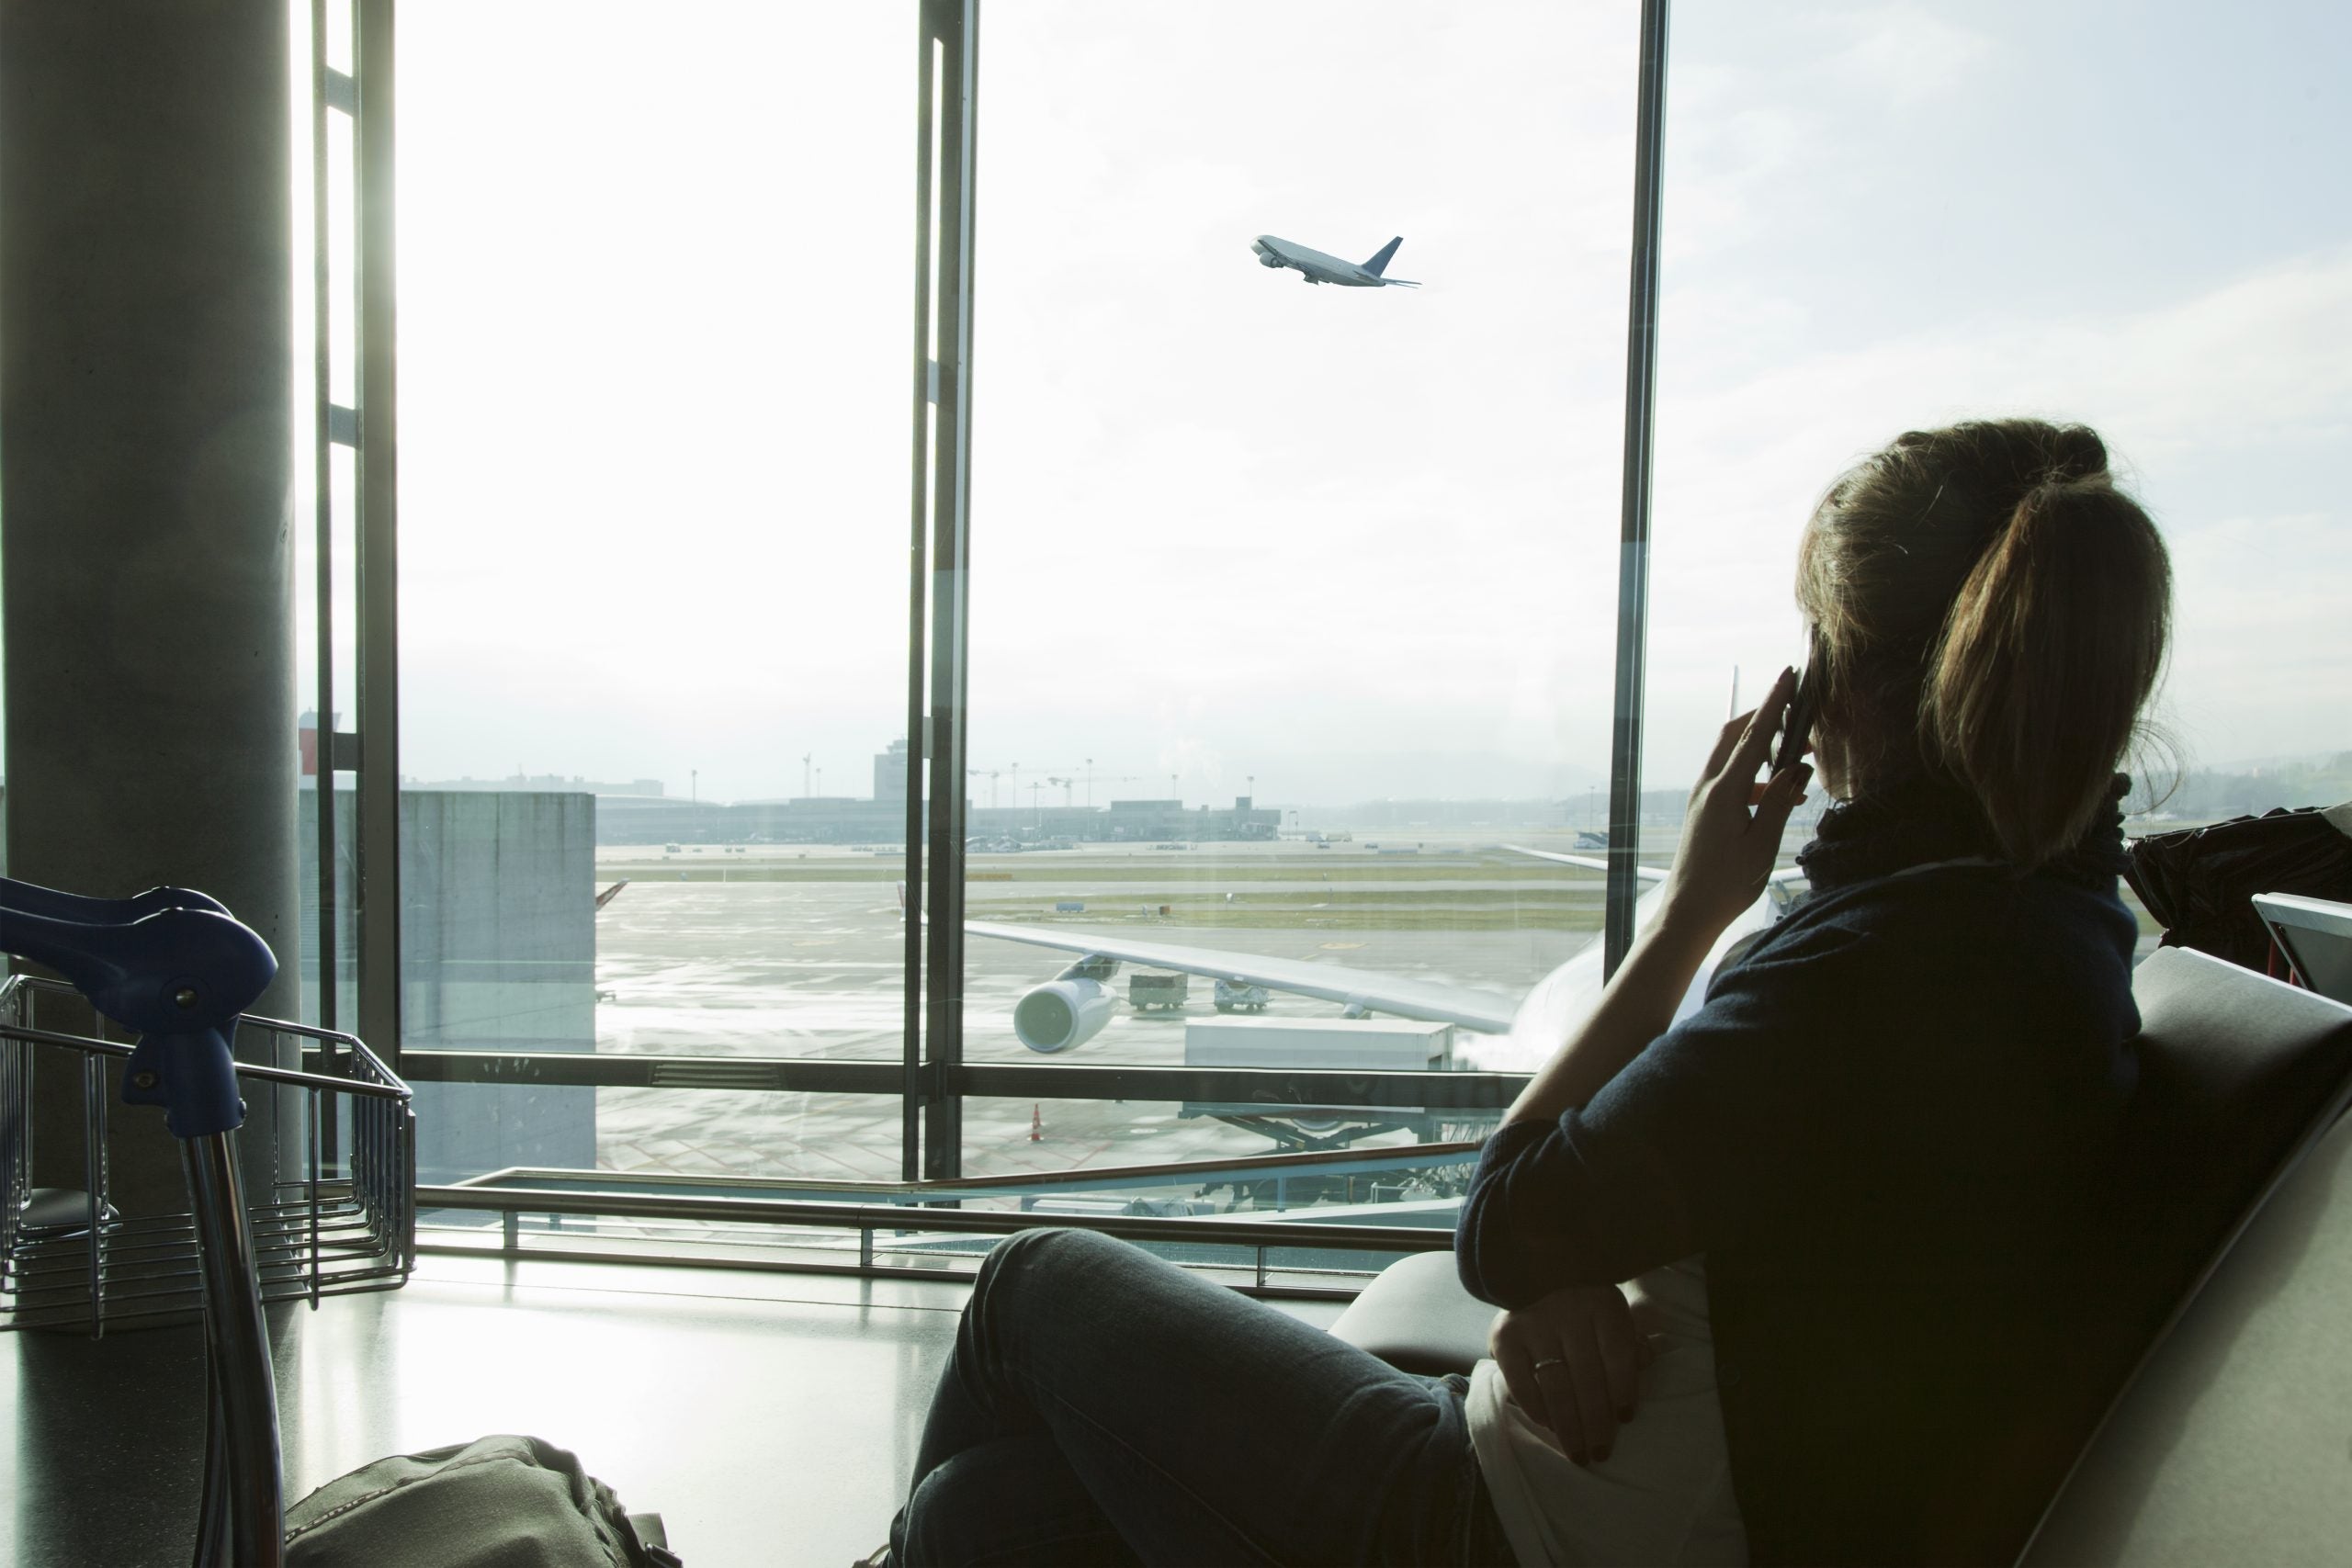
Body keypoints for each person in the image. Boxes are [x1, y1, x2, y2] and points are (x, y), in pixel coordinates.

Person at [885, 418, 2172, 1566]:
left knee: (1028, 1285)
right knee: (977, 1518)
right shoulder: (2045, 927)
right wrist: (1578, 1262)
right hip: (1596, 1498)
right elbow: (1643, 1209)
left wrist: (1687, 913)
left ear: (1838, 687)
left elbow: (1501, 1216)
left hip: (1492, 1528)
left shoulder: (1881, 963)